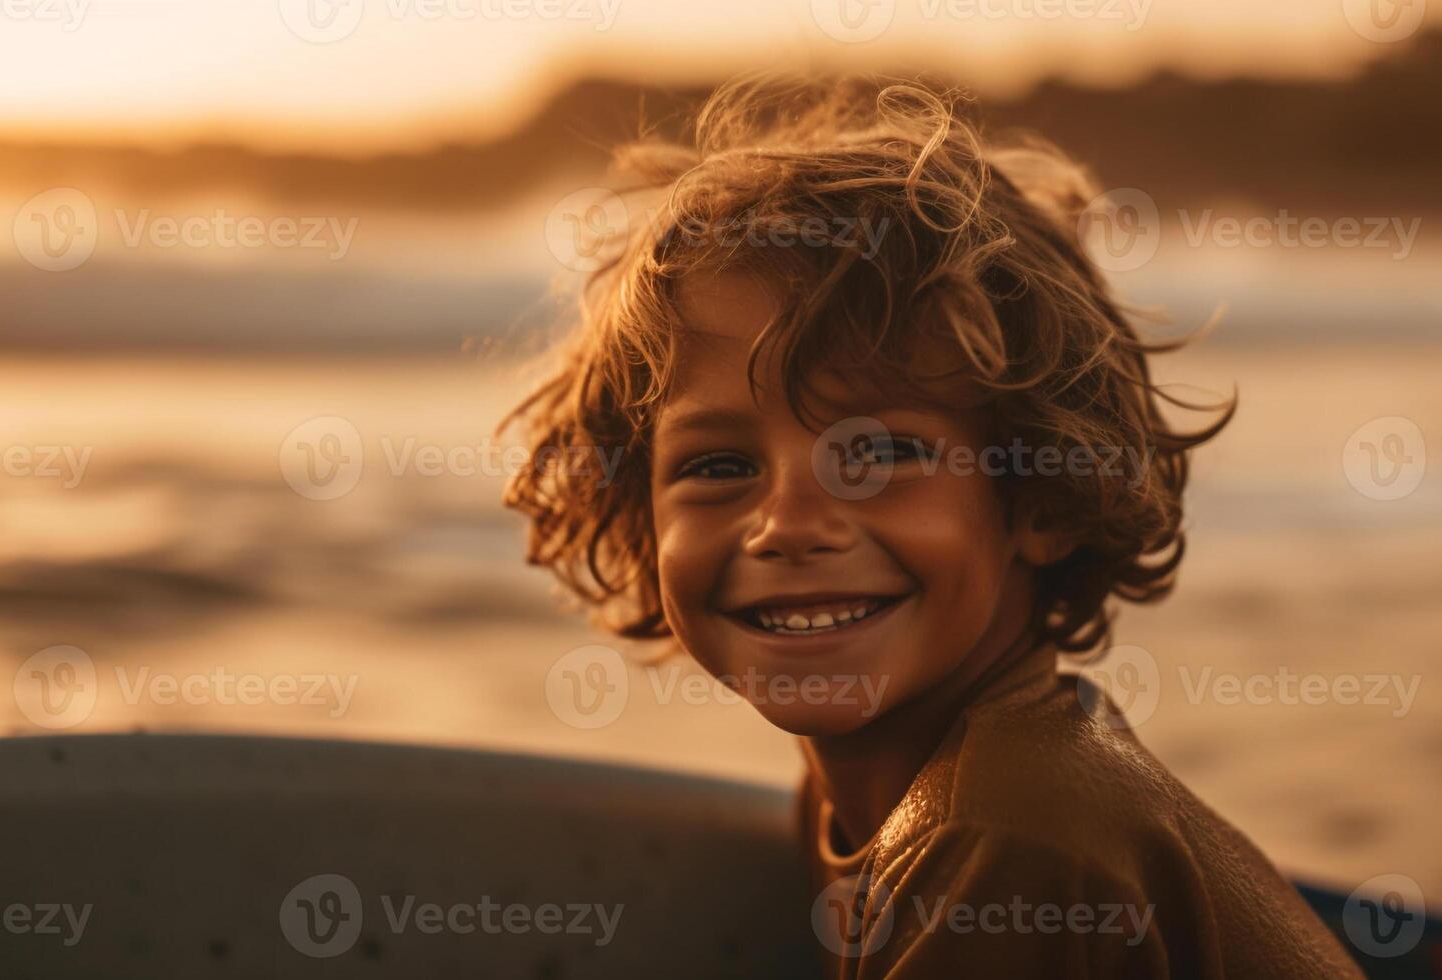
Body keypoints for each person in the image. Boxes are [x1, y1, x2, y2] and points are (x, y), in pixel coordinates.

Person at [502, 73, 1363, 978]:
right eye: (718, 467)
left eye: (876, 456)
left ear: (1041, 499)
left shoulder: (1009, 834)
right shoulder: (896, 785)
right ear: (641, 523)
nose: (787, 526)